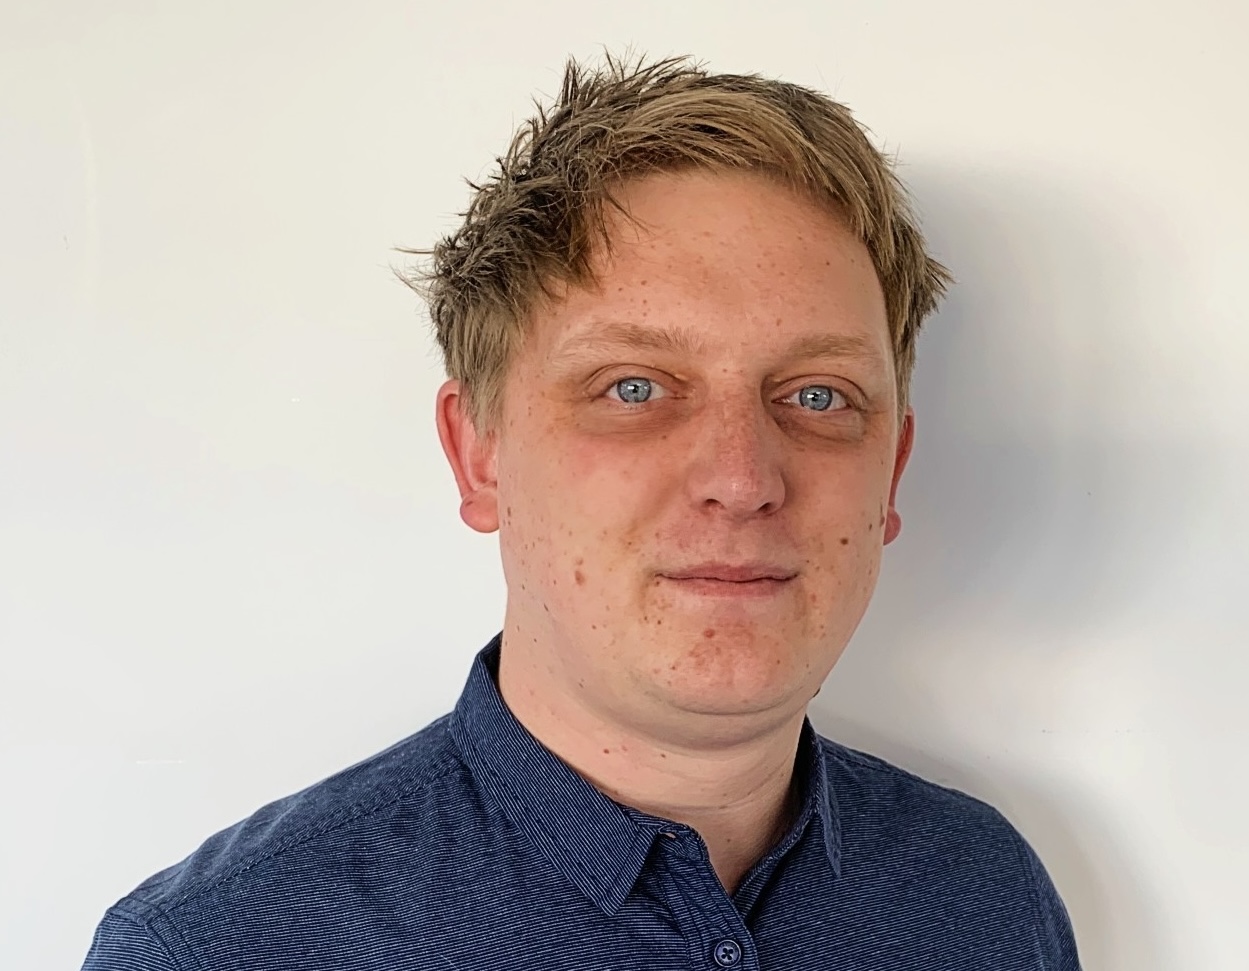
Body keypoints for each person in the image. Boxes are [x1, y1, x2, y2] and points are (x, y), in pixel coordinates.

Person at [83, 55, 1081, 970]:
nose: (742, 477)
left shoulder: (985, 893)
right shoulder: (216, 950)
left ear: (891, 468)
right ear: (479, 454)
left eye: (818, 395)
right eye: (633, 387)